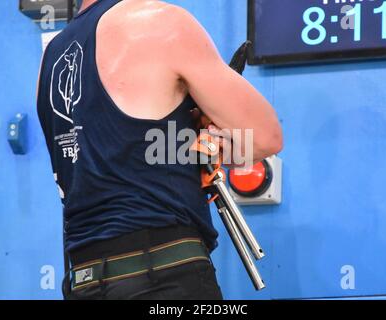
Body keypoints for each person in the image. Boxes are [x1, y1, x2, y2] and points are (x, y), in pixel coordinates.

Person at [36, 0, 283, 300]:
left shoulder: (50, 57)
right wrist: (201, 148)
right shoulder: (161, 23)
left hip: (83, 280)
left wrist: (179, 142)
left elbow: (113, 147)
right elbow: (264, 137)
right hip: (164, 274)